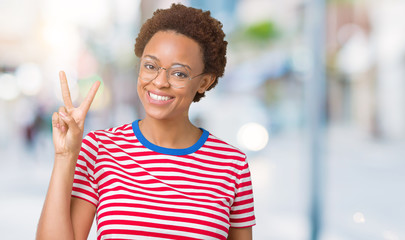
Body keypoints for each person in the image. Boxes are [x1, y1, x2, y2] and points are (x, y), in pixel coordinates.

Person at [36, 3, 255, 240]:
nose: (160, 82)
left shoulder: (232, 166)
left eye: (179, 73)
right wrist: (65, 157)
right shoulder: (100, 149)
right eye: (150, 66)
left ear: (204, 82)